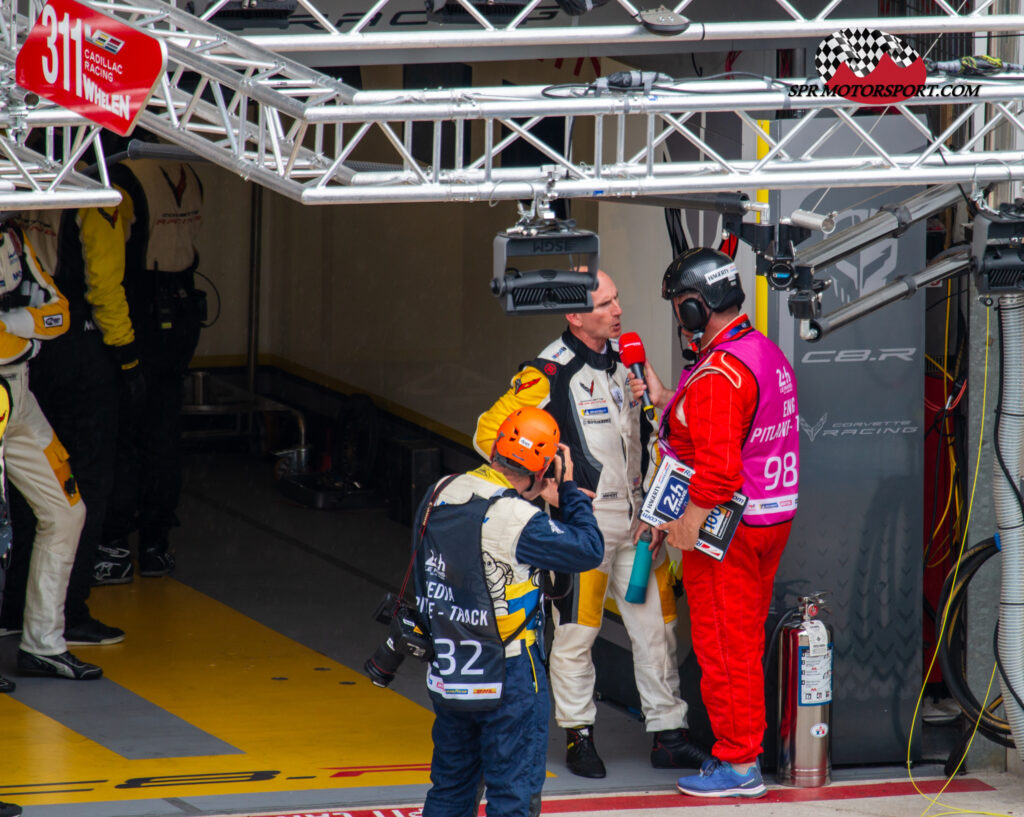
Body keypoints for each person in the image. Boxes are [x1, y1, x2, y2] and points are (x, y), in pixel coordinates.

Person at [474, 270, 708, 779]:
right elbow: (488, 434)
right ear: (575, 316)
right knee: (577, 634)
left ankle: (668, 735)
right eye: (605, 304)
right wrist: (538, 489)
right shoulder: (546, 373)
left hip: (642, 524)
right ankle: (579, 735)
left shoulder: (630, 357)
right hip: (582, 532)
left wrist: (659, 509)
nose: (618, 310)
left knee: (659, 631)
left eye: (618, 299)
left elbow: (651, 436)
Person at [628, 247, 799, 799]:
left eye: (682, 306)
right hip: (770, 518)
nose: (680, 318)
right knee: (742, 639)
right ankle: (746, 751)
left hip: (727, 528)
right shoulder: (758, 351)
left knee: (724, 645)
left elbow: (717, 472)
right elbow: (713, 426)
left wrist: (678, 526)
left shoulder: (717, 376)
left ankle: (738, 763)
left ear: (698, 308)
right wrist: (666, 401)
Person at [416, 406, 603, 817]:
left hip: (452, 665)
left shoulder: (440, 491)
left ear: (497, 448)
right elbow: (589, 549)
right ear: (545, 466)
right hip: (510, 671)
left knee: (449, 787)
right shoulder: (520, 519)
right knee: (513, 795)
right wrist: (568, 491)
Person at [13, 205, 135, 646]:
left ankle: (15, 607)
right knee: (82, 485)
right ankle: (69, 611)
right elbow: (103, 283)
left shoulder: (21, 195)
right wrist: (126, 351)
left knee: (31, 491)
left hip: (29, 354)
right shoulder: (96, 193)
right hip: (77, 350)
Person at [96, 158, 204, 582]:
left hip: (138, 310)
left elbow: (108, 250)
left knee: (125, 434)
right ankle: (156, 544)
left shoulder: (122, 176)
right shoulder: (189, 173)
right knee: (163, 433)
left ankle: (115, 544)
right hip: (181, 312)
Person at [0, 220, 98, 680]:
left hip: (21, 394)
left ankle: (43, 643)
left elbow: (62, 313)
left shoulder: (14, 235)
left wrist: (20, 323)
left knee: (66, 511)